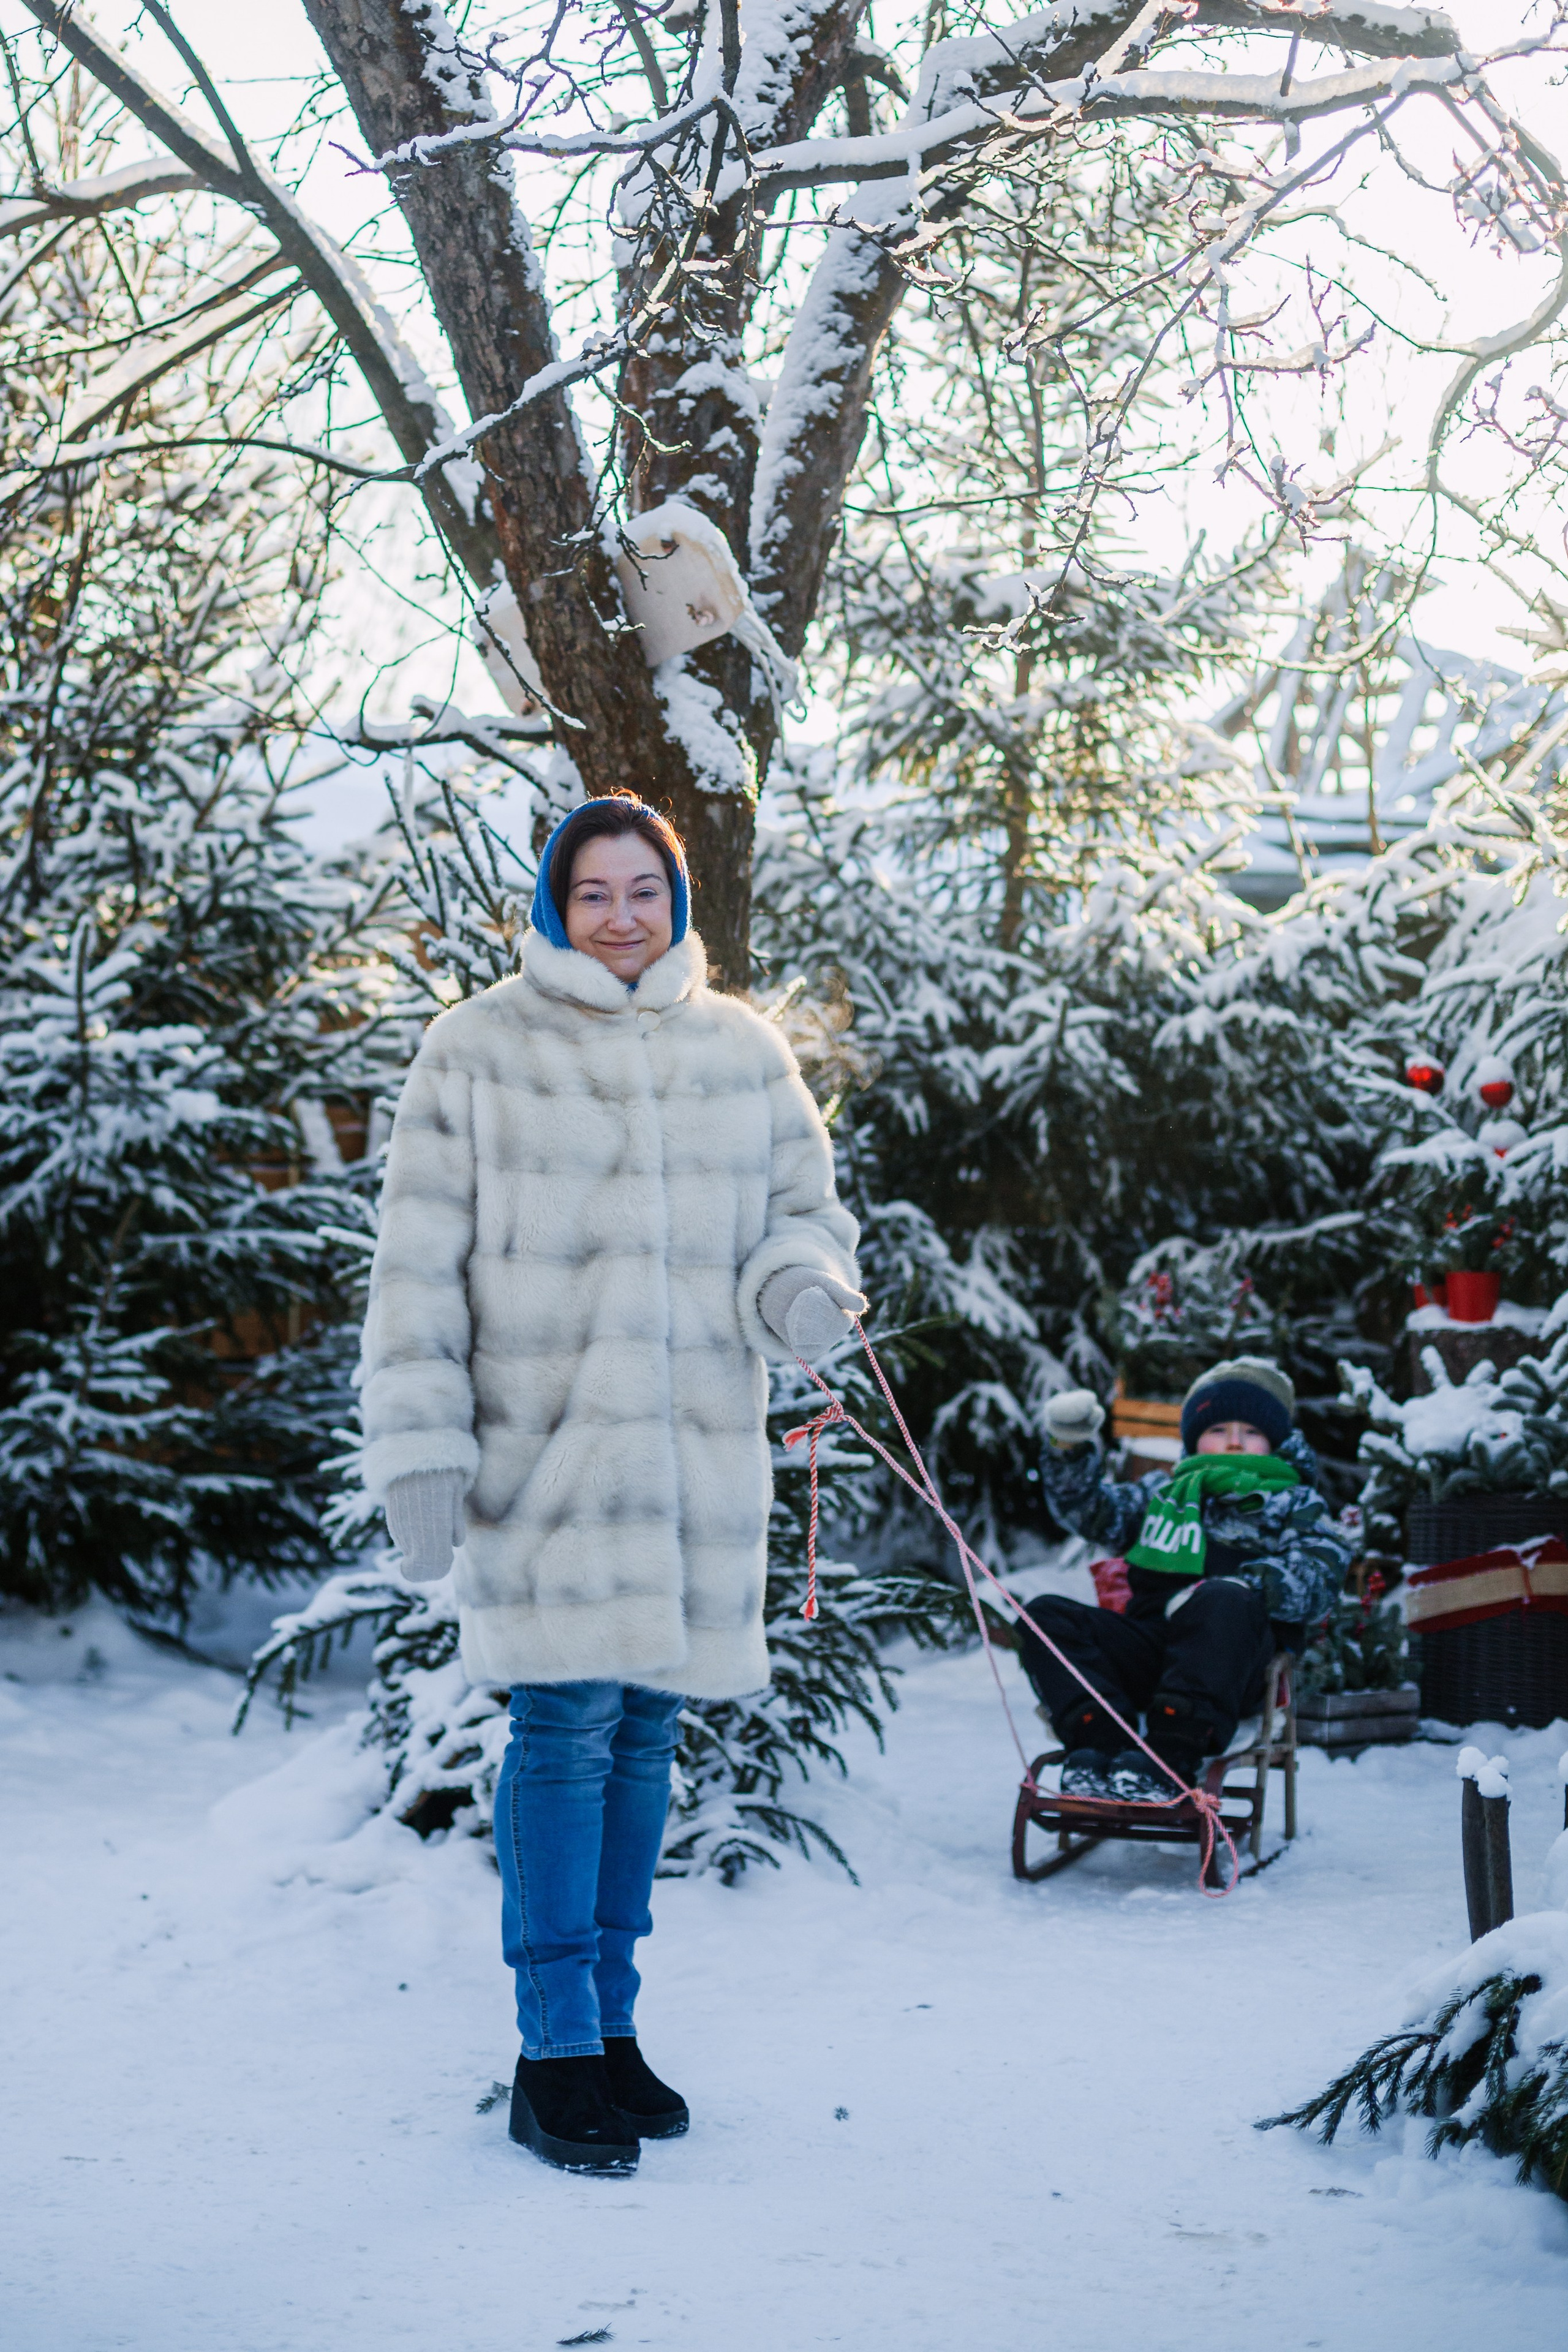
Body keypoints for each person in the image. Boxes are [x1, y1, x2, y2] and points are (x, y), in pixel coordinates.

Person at [358, 793, 864, 2174]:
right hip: (549, 1464)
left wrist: (805, 1295)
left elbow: (799, 1222)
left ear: (677, 899)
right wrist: (419, 1449)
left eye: (644, 888)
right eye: (594, 893)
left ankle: (613, 2030)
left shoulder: (740, 1053)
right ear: (553, 906)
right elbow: (415, 1272)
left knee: (645, 1734)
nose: (622, 914)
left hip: (694, 1461)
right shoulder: (478, 1051)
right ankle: (550, 2046)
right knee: (566, 1730)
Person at [1016, 1358, 1354, 1801]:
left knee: (1221, 1600)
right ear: (1195, 1439)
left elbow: (1320, 1575)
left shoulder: (1291, 1502)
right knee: (1043, 1616)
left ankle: (1170, 1755)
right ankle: (1102, 1742)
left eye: (1251, 1431)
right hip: (1150, 1648)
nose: (1234, 1441)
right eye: (1218, 1430)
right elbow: (1092, 1513)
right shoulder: (1164, 1494)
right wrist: (1069, 1445)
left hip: (1229, 1662)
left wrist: (1234, 1586)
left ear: (1274, 1441)